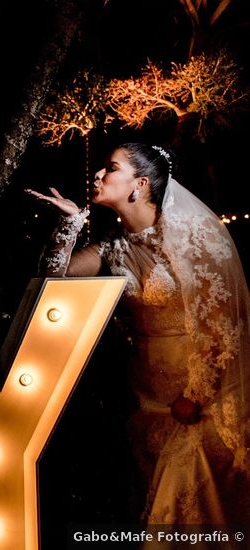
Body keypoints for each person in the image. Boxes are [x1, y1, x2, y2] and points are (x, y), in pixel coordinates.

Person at [27, 143, 250, 526]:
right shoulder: (112, 250)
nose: (98, 175)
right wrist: (70, 224)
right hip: (147, 396)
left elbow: (226, 322)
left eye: (110, 168)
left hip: (206, 394)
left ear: (139, 184)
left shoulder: (194, 235)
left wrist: (195, 395)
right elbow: (52, 281)